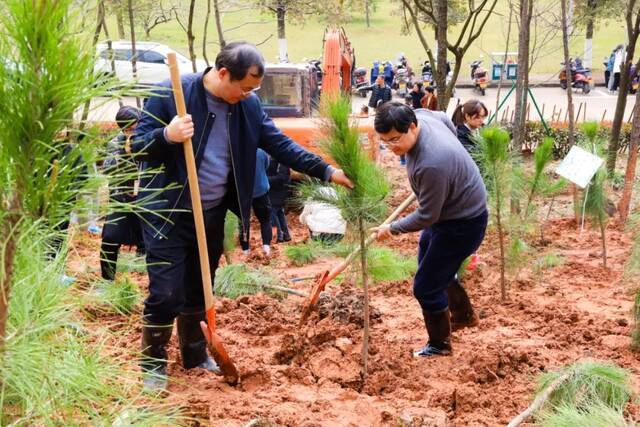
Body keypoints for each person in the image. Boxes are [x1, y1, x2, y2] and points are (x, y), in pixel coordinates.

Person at [131, 42, 353, 390]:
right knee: (166, 293)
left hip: (212, 212)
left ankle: (194, 354)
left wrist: (325, 170)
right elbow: (138, 145)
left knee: (199, 288)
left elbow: (280, 144)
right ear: (223, 74)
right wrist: (168, 135)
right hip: (167, 211)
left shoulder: (246, 107)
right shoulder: (172, 95)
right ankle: (153, 362)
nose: (250, 94)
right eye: (246, 86)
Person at [370, 102, 487, 358]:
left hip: (463, 222)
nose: (391, 148)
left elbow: (426, 215)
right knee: (429, 262)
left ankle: (439, 345)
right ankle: (464, 316)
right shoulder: (424, 117)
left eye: (395, 140)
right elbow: (445, 118)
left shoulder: (432, 164)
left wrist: (392, 228)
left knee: (425, 286)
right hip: (449, 213)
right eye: (385, 142)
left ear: (412, 126)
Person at [100, 106, 145, 281]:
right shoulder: (115, 143)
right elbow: (108, 168)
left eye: (136, 127)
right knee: (110, 239)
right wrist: (123, 154)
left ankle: (150, 279)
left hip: (144, 199)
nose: (133, 131)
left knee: (152, 241)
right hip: (120, 200)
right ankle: (107, 281)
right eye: (130, 129)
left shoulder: (147, 138)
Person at [239, 148, 273, 257]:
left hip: (244, 192)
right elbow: (267, 165)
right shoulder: (261, 151)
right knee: (265, 220)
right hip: (261, 190)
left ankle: (245, 250)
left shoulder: (238, 151)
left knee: (244, 221)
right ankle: (266, 247)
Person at [267, 155, 292, 243]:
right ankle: (286, 235)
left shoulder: (282, 160)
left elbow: (282, 177)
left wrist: (266, 179)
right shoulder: (275, 157)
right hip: (276, 190)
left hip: (279, 190)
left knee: (272, 211)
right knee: (279, 212)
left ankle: (278, 236)